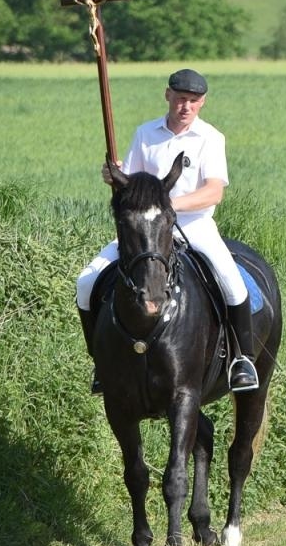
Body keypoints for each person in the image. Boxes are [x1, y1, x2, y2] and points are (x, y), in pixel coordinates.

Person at [76, 69, 258, 394]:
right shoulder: (145, 134)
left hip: (194, 225)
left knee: (232, 283)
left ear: (202, 103)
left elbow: (214, 192)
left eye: (193, 101)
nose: (186, 106)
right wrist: (114, 177)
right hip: (145, 230)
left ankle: (241, 359)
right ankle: (100, 362)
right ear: (167, 96)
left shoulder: (210, 138)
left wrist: (167, 204)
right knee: (86, 281)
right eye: (180, 99)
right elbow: (129, 187)